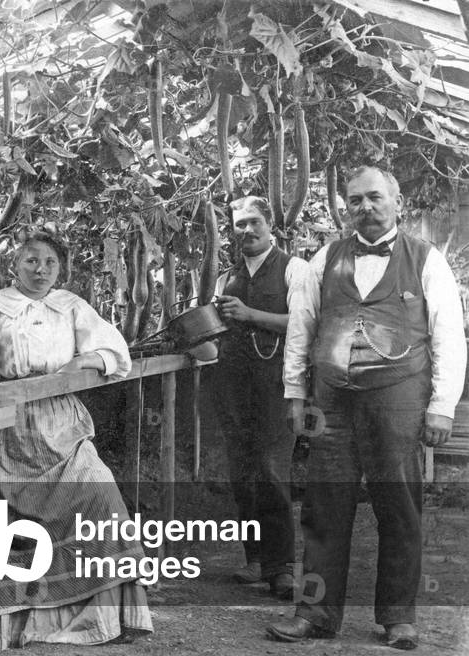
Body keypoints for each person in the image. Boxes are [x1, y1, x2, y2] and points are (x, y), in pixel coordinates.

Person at [268, 166, 467, 650]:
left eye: (375, 197)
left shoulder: (427, 260)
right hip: (332, 402)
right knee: (323, 508)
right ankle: (315, 614)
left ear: (398, 202)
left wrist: (442, 407)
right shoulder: (325, 259)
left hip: (399, 399)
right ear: (346, 208)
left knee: (398, 506)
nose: (366, 207)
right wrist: (295, 393)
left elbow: (448, 335)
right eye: (355, 200)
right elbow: (301, 327)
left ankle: (398, 617)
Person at [0, 230, 153, 653]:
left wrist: (84, 360)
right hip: (10, 430)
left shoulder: (70, 305)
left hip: (62, 424)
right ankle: (24, 623)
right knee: (15, 524)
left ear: (61, 268)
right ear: (14, 265)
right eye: (31, 261)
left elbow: (114, 353)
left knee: (102, 497)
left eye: (50, 263)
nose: (40, 270)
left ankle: (101, 617)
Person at [211, 196, 309, 599]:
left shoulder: (294, 269)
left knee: (271, 470)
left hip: (278, 385)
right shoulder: (225, 278)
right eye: (240, 225)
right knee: (242, 473)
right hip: (233, 385)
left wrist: (251, 315)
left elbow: (305, 324)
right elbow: (216, 331)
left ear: (270, 225)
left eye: (254, 222)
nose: (247, 231)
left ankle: (281, 567)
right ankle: (254, 558)